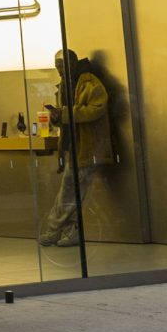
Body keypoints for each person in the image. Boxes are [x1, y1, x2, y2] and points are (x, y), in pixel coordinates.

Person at [39, 49, 113, 248]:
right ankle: (70, 231)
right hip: (74, 146)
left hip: (88, 146)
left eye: (62, 66)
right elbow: (66, 116)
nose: (60, 71)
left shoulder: (89, 82)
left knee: (70, 191)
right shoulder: (64, 86)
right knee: (71, 191)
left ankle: (54, 229)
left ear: (72, 63)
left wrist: (63, 114)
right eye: (57, 67)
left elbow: (96, 109)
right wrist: (57, 117)